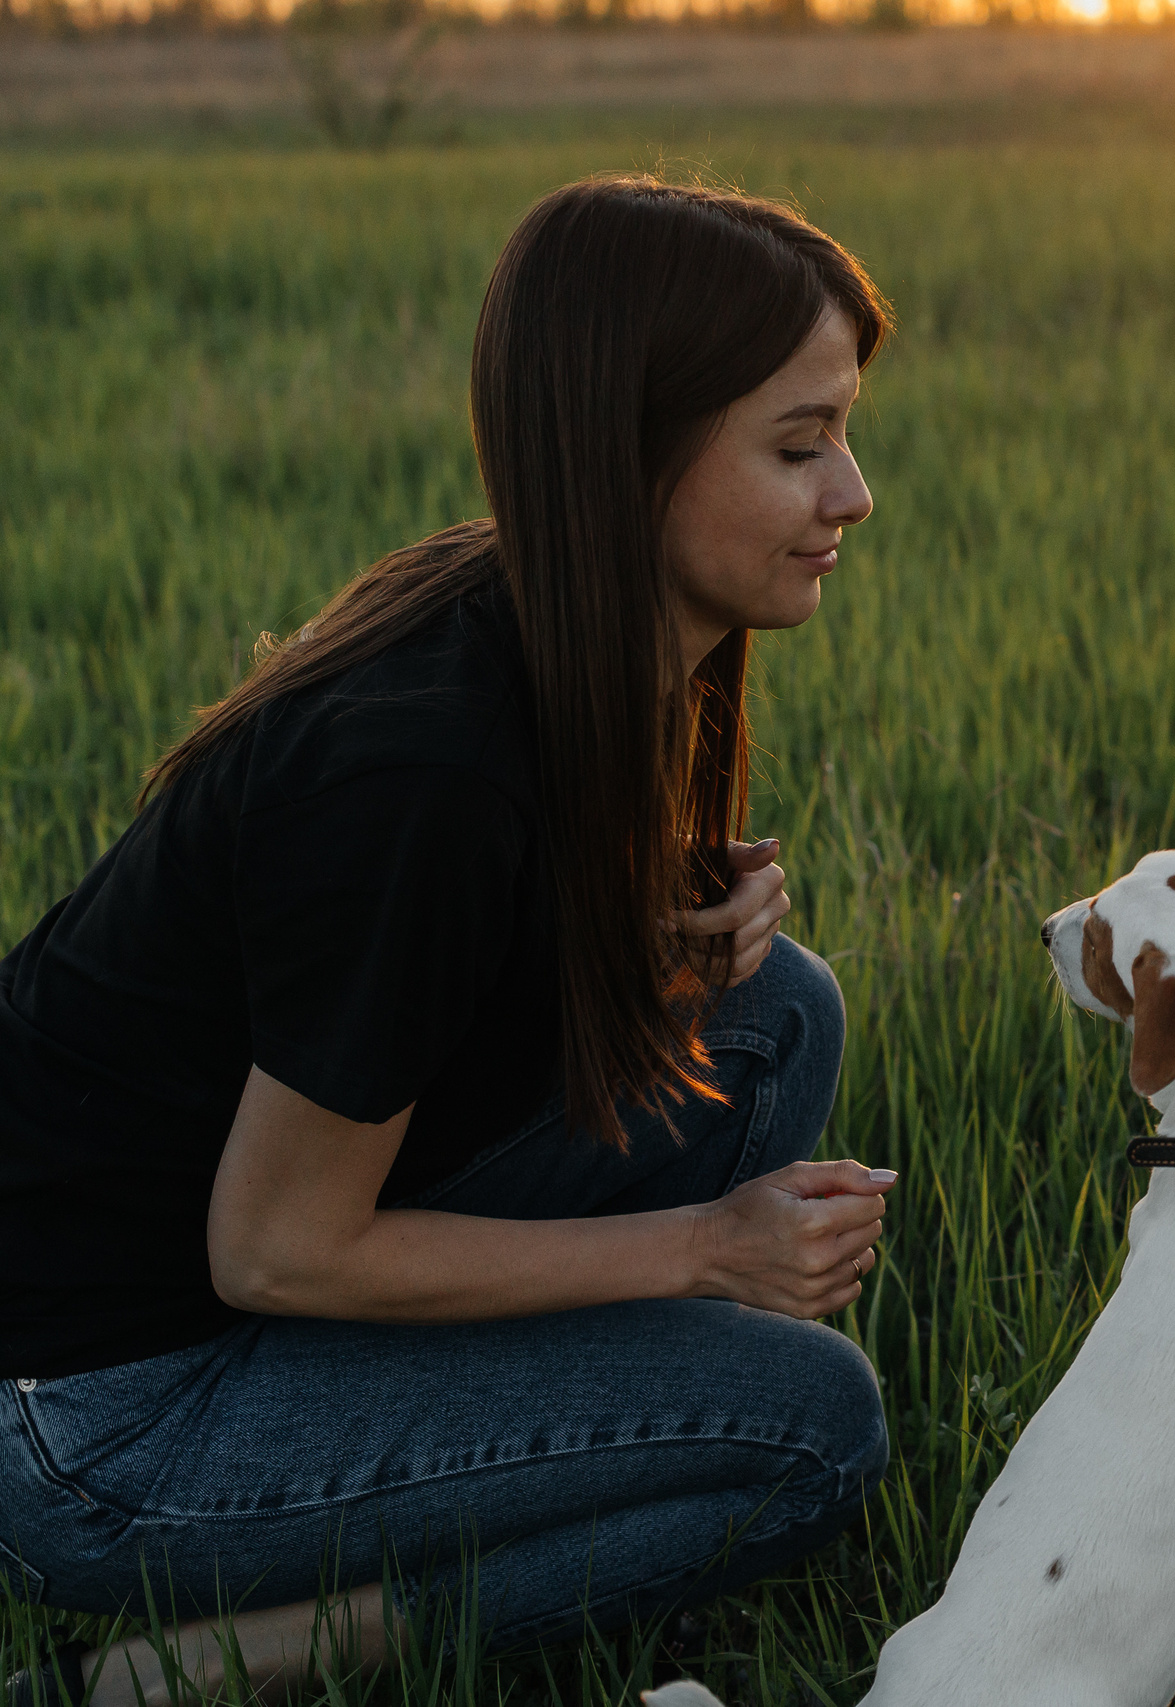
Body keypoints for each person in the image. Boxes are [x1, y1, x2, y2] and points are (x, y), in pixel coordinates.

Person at [2, 177, 900, 1707]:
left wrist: (678, 913)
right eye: (799, 445)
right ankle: (192, 1672)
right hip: (100, 1423)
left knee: (774, 1016)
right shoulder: (416, 775)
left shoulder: (567, 621)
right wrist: (700, 1249)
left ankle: (563, 1456)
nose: (854, 493)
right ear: (633, 453)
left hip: (212, 1294)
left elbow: (472, 974)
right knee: (812, 1427)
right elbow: (276, 1245)